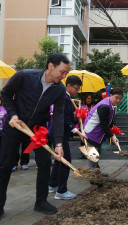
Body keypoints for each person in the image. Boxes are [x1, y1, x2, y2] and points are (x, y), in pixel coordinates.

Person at [0, 53, 70, 217]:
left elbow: (59, 116)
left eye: (66, 72)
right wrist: (13, 114)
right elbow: (5, 94)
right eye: (62, 71)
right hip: (15, 125)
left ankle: (41, 202)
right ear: (51, 66)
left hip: (37, 130)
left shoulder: (59, 89)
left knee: (45, 162)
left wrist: (58, 144)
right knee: (4, 165)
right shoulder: (24, 76)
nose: (64, 75)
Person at [48, 75, 87, 200]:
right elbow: (64, 118)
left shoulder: (67, 98)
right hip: (60, 133)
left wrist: (77, 114)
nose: (77, 91)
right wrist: (78, 132)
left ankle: (53, 185)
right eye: (76, 88)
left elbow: (67, 116)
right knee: (66, 160)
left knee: (59, 159)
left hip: (57, 132)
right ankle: (61, 191)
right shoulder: (64, 98)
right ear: (69, 85)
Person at [83, 88, 123, 176]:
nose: (118, 100)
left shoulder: (111, 105)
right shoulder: (104, 106)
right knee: (93, 155)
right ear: (110, 96)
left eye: (120, 98)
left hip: (97, 133)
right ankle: (93, 176)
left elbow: (110, 121)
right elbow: (104, 125)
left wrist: (113, 133)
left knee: (97, 153)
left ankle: (97, 172)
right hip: (92, 132)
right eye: (116, 98)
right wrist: (112, 136)